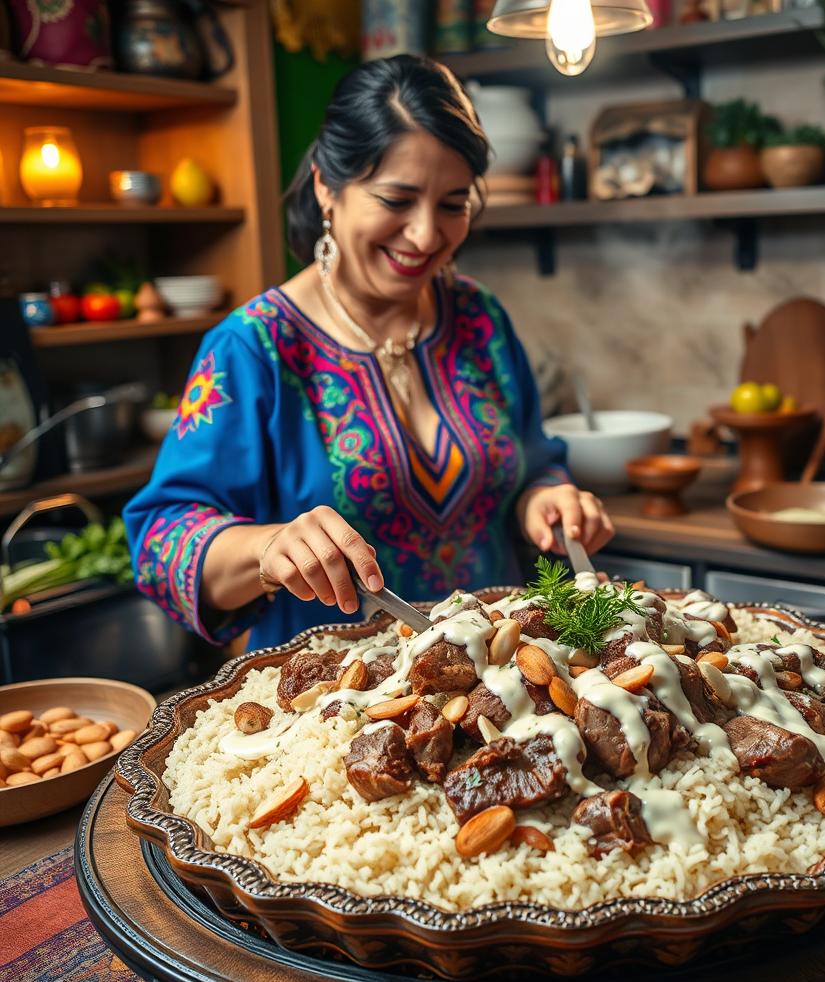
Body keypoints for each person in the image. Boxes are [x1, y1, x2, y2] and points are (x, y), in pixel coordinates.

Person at [124, 55, 614, 651]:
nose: (427, 234)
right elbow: (160, 543)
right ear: (328, 187)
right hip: (333, 709)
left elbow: (534, 461)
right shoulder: (254, 348)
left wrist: (546, 499)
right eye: (396, 199)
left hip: (502, 684)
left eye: (453, 204)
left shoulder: (480, 320)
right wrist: (266, 547)